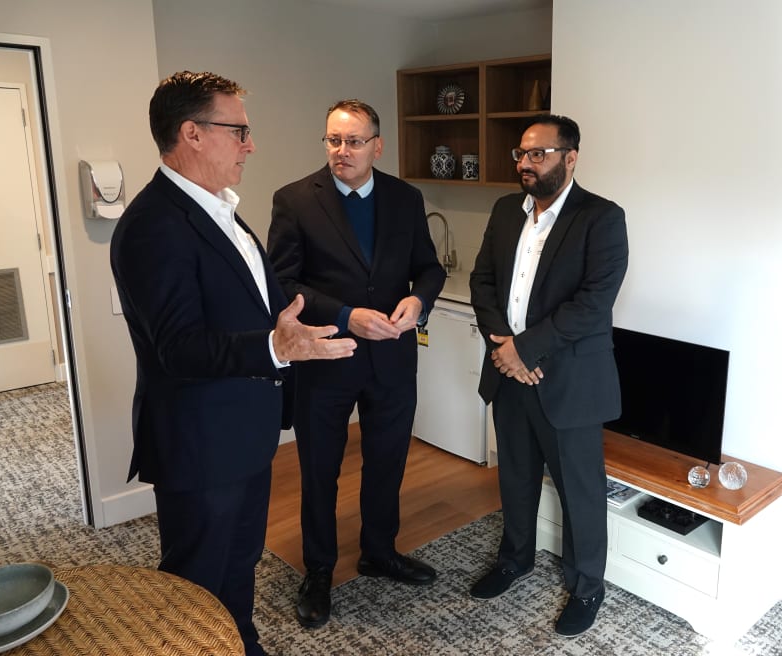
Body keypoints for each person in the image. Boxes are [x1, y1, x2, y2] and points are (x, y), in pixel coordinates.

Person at [110, 71, 357, 656]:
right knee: (195, 582)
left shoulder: (224, 213)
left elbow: (269, 304)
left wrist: (334, 319)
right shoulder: (152, 226)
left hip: (244, 432)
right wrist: (276, 347)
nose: (251, 145)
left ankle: (241, 644)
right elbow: (179, 347)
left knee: (240, 563)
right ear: (191, 133)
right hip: (199, 442)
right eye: (239, 131)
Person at [267, 99, 446, 629]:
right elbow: (283, 283)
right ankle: (319, 568)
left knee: (387, 461)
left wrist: (420, 302)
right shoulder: (295, 200)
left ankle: (379, 551)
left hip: (392, 357)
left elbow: (428, 269)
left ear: (376, 145)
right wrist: (347, 315)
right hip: (326, 357)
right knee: (320, 469)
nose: (341, 151)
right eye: (332, 141)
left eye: (352, 141)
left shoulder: (405, 198)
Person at [467, 114, 629, 636]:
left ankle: (587, 586)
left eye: (539, 154)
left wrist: (525, 350)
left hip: (570, 383)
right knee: (513, 476)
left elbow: (592, 302)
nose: (526, 164)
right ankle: (515, 558)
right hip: (508, 372)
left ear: (570, 157)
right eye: (521, 154)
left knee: (579, 491)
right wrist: (503, 345)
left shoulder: (602, 218)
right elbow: (482, 279)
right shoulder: (504, 211)